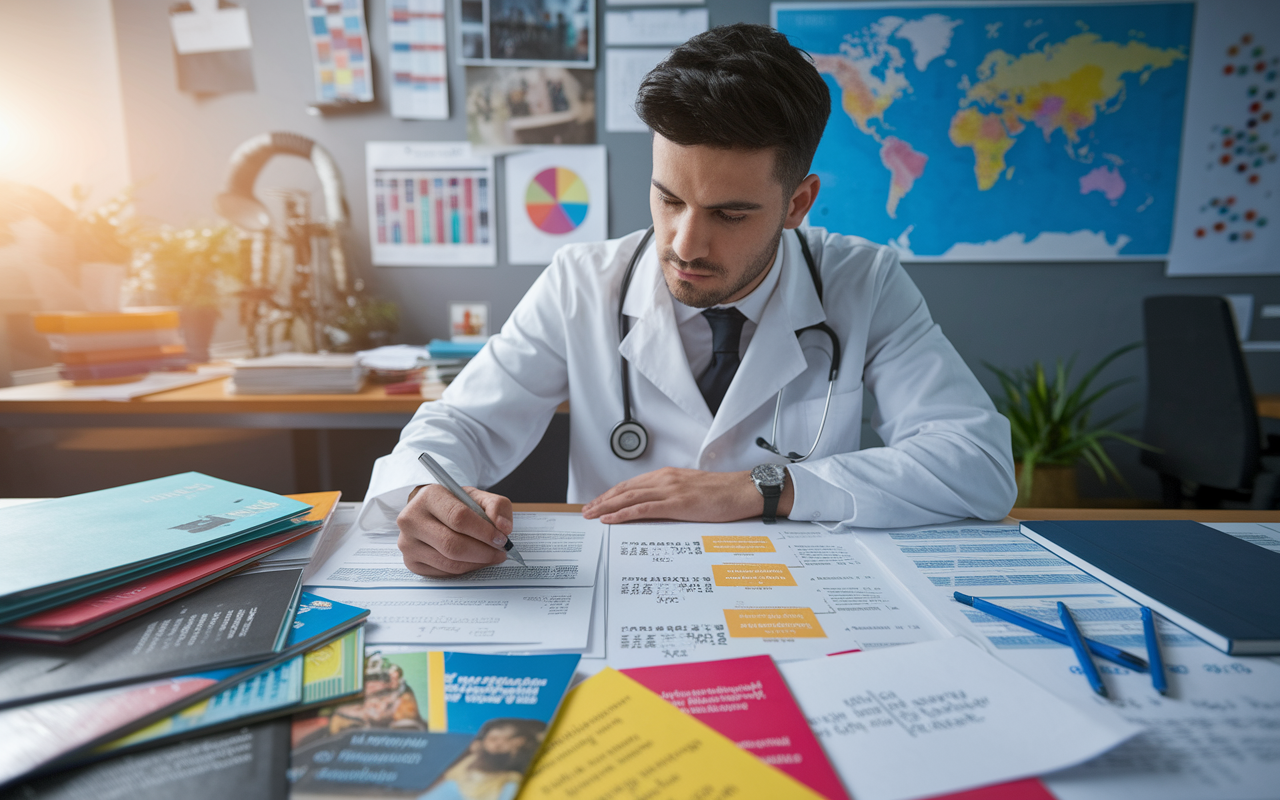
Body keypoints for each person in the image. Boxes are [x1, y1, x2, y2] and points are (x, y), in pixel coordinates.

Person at [367, 23, 1017, 578]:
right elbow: (463, 426)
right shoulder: (582, 279)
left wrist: (759, 489)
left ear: (797, 203)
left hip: (796, 592)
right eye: (669, 199)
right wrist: (427, 494)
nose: (684, 244)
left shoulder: (862, 281)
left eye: (730, 214)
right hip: (618, 589)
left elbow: (979, 463)